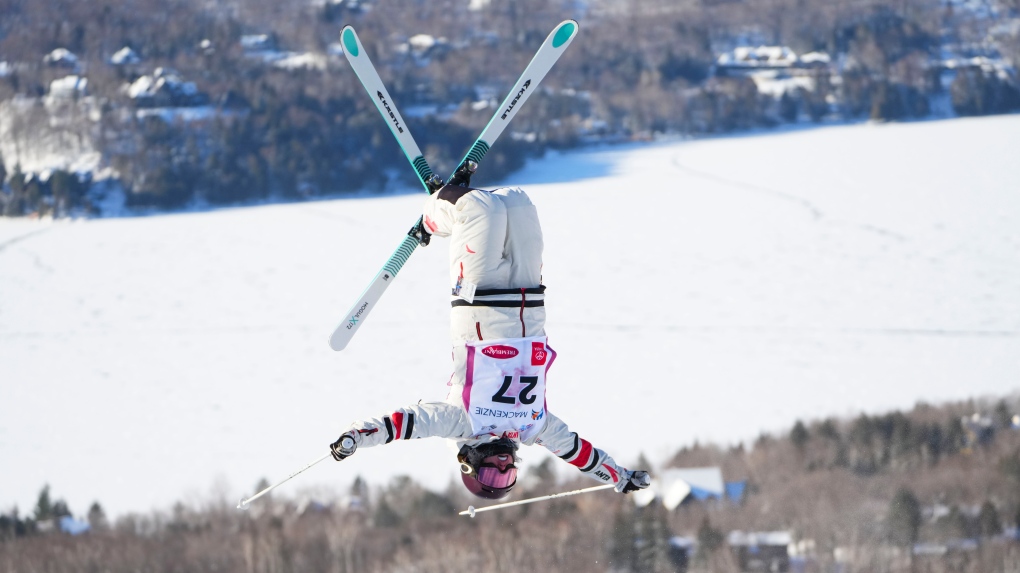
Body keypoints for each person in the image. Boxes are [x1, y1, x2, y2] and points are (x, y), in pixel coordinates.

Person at [330, 173, 651, 500]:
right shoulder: (532, 427)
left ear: (468, 463)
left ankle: (432, 217)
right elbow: (579, 453)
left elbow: (403, 424)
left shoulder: (462, 424)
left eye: (491, 474)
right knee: (517, 202)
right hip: (528, 294)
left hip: (479, 293)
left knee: (479, 208)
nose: (502, 467)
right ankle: (454, 197)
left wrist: (356, 436)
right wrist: (620, 477)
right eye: (508, 476)